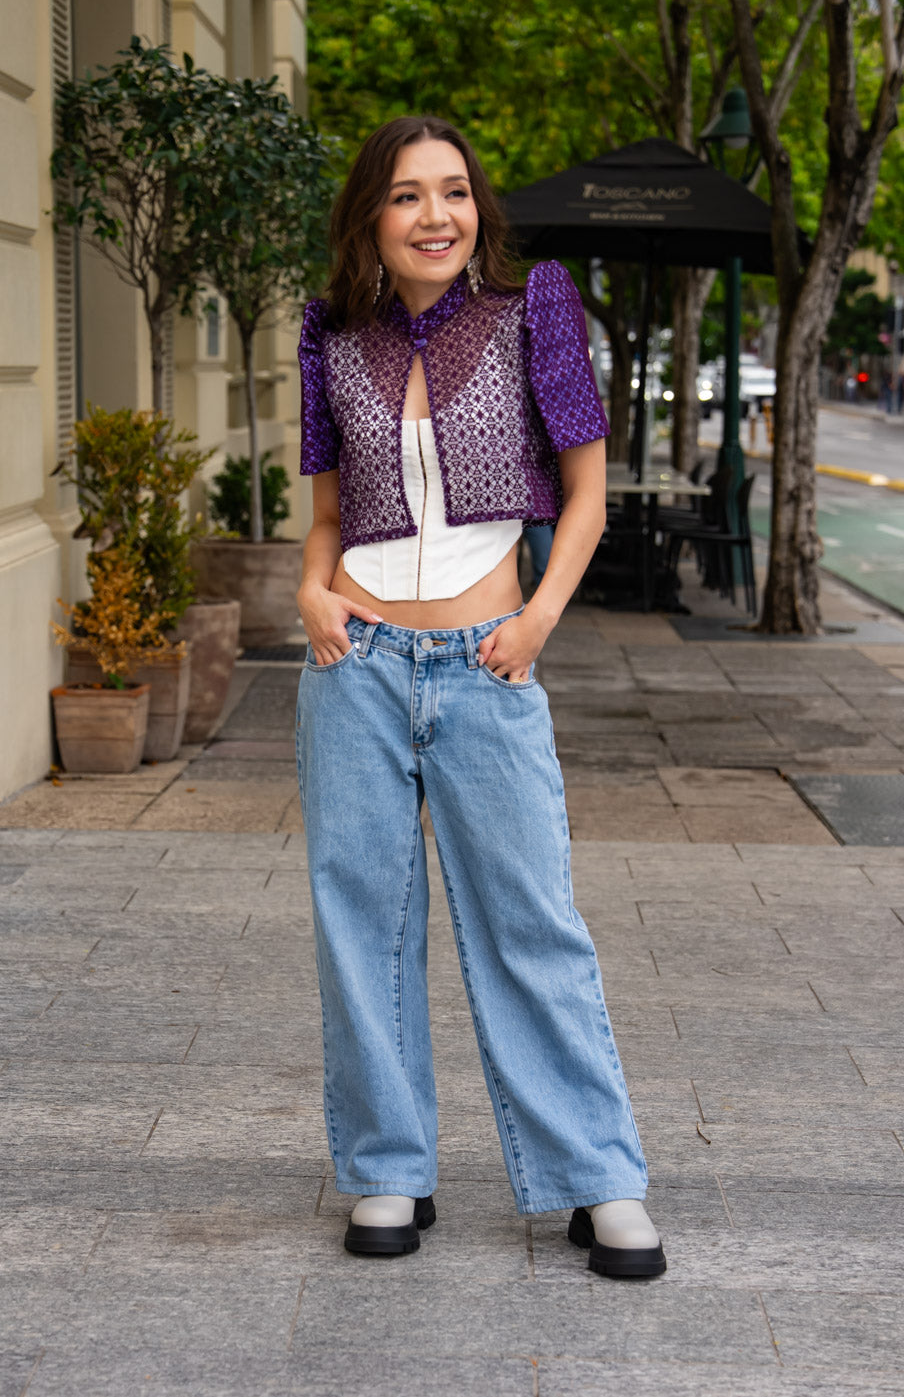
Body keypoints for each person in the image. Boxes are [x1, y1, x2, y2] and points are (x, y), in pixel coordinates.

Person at [295, 116, 665, 1279]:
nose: (436, 216)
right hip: (350, 664)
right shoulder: (329, 334)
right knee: (362, 927)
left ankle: (595, 1175)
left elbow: (586, 492)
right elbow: (324, 513)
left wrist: (539, 619)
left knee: (530, 924)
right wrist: (310, 594)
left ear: (478, 210)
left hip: (484, 663)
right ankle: (388, 1170)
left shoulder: (532, 310)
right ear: (372, 217)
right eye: (407, 196)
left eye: (453, 193)